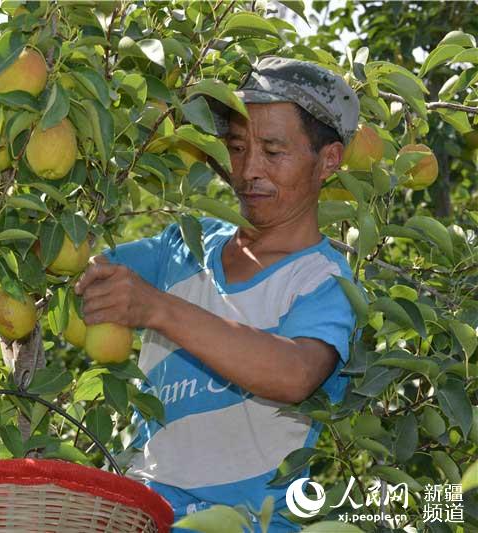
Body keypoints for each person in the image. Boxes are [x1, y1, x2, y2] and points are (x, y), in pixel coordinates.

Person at [74, 56, 360, 532]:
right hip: (143, 515)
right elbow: (72, 266)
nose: (248, 170)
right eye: (237, 147)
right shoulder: (182, 245)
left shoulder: (324, 279)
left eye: (273, 150)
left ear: (328, 159)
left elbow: (294, 374)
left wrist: (158, 308)